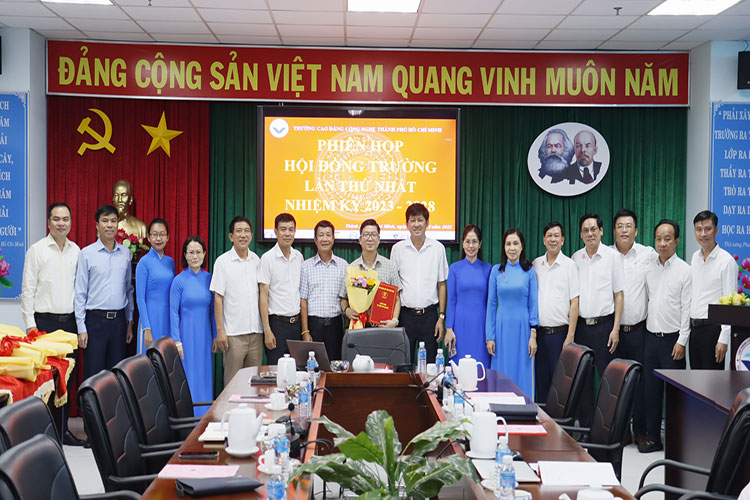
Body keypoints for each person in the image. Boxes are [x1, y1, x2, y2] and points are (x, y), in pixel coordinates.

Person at [21, 202, 83, 446]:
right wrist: (30, 325)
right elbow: (27, 290)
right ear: (48, 222)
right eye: (56, 219)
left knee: (67, 379)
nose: (61, 223)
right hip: (44, 324)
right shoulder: (36, 251)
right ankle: (43, 434)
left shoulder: (76, 251)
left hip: (69, 325)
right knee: (46, 380)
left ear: (71, 222)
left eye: (65, 219)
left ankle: (62, 429)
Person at [642, 220, 691, 453]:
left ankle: (675, 441)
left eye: (667, 239)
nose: (662, 243)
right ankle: (653, 438)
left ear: (676, 241)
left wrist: (682, 340)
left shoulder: (685, 270)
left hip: (673, 341)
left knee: (673, 396)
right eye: (659, 239)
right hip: (651, 338)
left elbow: (687, 308)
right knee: (650, 392)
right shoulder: (649, 268)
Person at [572, 213, 624, 426]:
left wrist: (616, 329)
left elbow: (619, 295)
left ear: (601, 231)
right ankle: (585, 426)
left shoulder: (613, 257)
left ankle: (606, 427)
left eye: (593, 229)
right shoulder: (575, 258)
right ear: (581, 234)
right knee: (583, 379)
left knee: (607, 380)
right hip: (582, 328)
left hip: (605, 328)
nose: (590, 234)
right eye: (585, 230)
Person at [610, 209, 656, 446]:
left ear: (636, 231)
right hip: (613, 332)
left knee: (640, 382)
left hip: (639, 331)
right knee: (616, 383)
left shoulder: (648, 254)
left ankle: (639, 430)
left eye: (628, 226)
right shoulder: (606, 255)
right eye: (620, 226)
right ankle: (619, 430)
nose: (624, 230)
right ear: (614, 231)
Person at [74, 204, 134, 379]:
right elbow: (80, 293)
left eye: (113, 221)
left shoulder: (125, 253)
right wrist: (81, 328)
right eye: (105, 221)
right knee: (94, 376)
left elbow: (128, 289)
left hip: (119, 323)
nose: (109, 225)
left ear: (118, 225)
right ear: (97, 225)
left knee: (116, 376)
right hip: (95, 322)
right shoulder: (87, 253)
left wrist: (129, 321)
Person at [390, 203, 449, 363]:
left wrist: (441, 317)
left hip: (430, 317)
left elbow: (442, 284)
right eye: (413, 220)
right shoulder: (397, 249)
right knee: (403, 366)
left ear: (427, 223)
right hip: (405, 317)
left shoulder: (438, 248)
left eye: (420, 220)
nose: (416, 224)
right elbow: (393, 287)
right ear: (407, 224)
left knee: (430, 367)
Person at [210, 216, 263, 386]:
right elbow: (218, 298)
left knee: (253, 385)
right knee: (233, 385)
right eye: (239, 231)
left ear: (252, 235)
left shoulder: (257, 260)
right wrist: (220, 331)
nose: (243, 235)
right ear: (231, 236)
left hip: (256, 334)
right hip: (233, 335)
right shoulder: (222, 262)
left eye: (247, 231)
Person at [486, 228, 539, 396]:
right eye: (508, 244)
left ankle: (524, 408)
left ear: (522, 246)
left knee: (522, 373)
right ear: (504, 247)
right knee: (502, 373)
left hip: (523, 330)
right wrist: (490, 336)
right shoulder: (496, 271)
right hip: (501, 330)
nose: (512, 248)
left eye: (515, 243)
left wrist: (533, 335)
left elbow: (533, 303)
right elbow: (491, 305)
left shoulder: (529, 271)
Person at [532, 221, 579, 403]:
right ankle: (543, 418)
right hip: (540, 335)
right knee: (541, 383)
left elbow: (574, 302)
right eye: (549, 236)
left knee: (561, 385)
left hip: (560, 335)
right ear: (544, 240)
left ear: (563, 240)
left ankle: (560, 421)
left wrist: (570, 335)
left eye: (556, 236)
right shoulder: (536, 264)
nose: (553, 239)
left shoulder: (570, 265)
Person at [170, 236, 216, 416]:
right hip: (186, 337)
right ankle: (189, 419)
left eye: (198, 252)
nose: (195, 256)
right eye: (191, 252)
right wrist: (176, 340)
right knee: (188, 376)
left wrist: (215, 335)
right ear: (185, 255)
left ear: (204, 254)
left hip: (205, 336)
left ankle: (204, 417)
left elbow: (213, 311)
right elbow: (173, 313)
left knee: (204, 375)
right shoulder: (179, 281)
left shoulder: (210, 279)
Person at [689, 210, 736, 370]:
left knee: (711, 381)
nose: (703, 234)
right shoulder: (695, 258)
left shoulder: (726, 261)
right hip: (695, 330)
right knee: (695, 380)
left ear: (716, 230)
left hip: (713, 330)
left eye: (708, 229)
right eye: (699, 229)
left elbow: (730, 303)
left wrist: (724, 337)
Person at [259, 213, 304, 365]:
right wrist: (267, 330)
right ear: (276, 232)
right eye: (283, 229)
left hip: (296, 325)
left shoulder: (299, 257)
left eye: (291, 229)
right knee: (276, 371)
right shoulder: (267, 258)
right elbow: (263, 295)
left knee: (297, 370)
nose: (287, 233)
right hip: (277, 326)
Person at [300, 220, 348, 360]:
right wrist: (305, 331)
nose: (325, 239)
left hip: (336, 326)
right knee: (313, 366)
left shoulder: (343, 265)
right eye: (321, 235)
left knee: (335, 366)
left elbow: (346, 299)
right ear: (315, 240)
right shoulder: (306, 266)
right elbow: (303, 301)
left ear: (333, 239)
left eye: (328, 235)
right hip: (314, 326)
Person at [340, 219, 401, 328]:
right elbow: (343, 298)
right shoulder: (352, 268)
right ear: (360, 240)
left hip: (383, 326)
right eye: (366, 235)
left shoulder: (389, 266)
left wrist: (395, 320)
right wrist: (346, 310)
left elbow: (397, 298)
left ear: (379, 239)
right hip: (359, 325)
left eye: (373, 235)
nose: (370, 238)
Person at [446, 224, 492, 367]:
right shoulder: (454, 268)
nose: (471, 246)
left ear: (480, 244)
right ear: (463, 243)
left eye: (474, 241)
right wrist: (449, 329)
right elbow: (451, 300)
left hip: (481, 326)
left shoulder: (488, 268)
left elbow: (491, 303)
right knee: (459, 368)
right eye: (467, 242)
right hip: (459, 327)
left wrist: (490, 333)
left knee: (481, 367)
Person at [135, 218, 174, 354]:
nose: (158, 238)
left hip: (167, 318)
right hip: (150, 319)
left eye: (162, 234)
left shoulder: (170, 262)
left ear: (168, 237)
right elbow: (140, 298)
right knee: (148, 360)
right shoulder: (143, 262)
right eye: (155, 234)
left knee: (165, 359)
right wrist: (147, 328)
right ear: (148, 237)